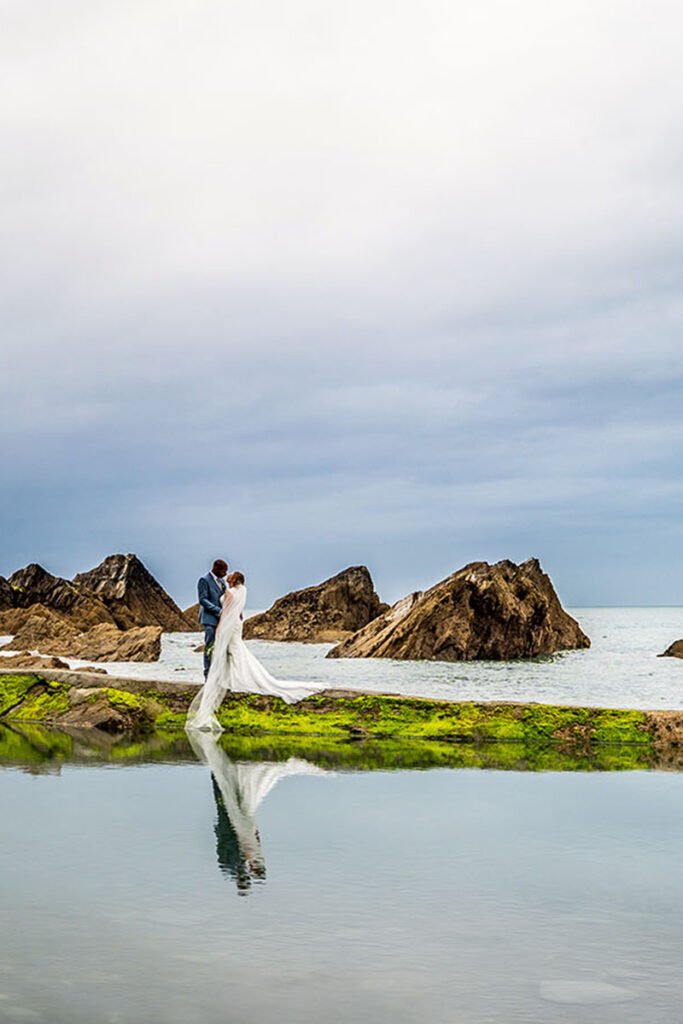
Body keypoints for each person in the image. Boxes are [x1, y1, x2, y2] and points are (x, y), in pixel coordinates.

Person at [187, 571, 322, 732]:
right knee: (236, 651)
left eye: (230, 576)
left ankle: (236, 679)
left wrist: (220, 628)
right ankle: (238, 677)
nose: (227, 577)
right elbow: (237, 610)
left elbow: (226, 613)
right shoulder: (242, 590)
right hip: (237, 623)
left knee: (233, 651)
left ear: (234, 580)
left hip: (229, 624)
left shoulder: (230, 592)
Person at [197, 559, 228, 679]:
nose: (225, 574)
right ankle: (207, 675)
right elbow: (203, 600)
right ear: (216, 569)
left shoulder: (222, 582)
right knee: (209, 647)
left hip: (221, 620)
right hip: (210, 619)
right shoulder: (204, 580)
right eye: (224, 571)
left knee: (219, 647)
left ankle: (218, 674)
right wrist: (218, 611)